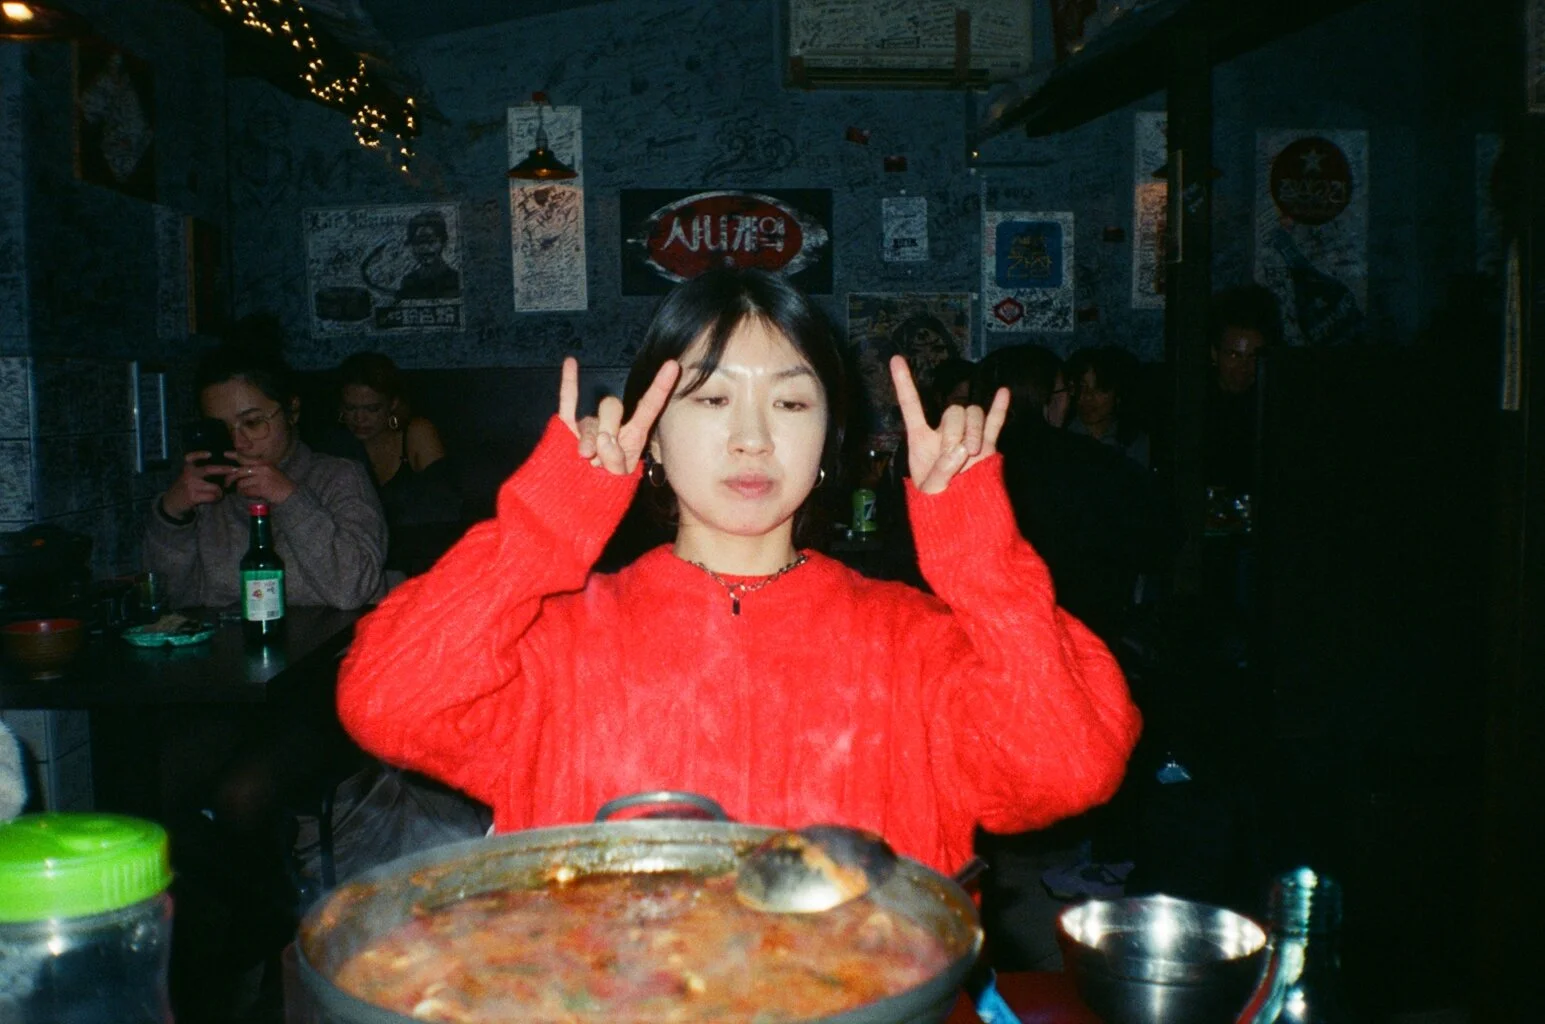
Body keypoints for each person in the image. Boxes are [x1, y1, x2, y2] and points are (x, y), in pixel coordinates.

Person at [337, 268, 1141, 876]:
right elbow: (387, 703)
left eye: (791, 404)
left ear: (829, 440)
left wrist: (976, 555)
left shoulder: (911, 640)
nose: (752, 437)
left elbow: (1067, 768)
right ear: (652, 434)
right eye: (711, 399)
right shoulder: (559, 638)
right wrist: (546, 525)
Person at [146, 328, 388, 610]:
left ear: (291, 411)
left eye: (253, 423)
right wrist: (172, 518)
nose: (239, 442)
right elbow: (169, 604)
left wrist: (290, 499)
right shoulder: (211, 495)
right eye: (222, 429)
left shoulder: (339, 478)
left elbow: (352, 589)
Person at [337, 353, 464, 578]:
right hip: (361, 567)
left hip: (421, 561)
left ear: (393, 404)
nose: (359, 418)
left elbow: (445, 511)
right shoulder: (335, 445)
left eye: (372, 409)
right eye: (350, 408)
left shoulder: (416, 433)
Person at [1064, 347, 1151, 469]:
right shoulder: (1062, 434)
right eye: (1081, 387)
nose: (1088, 396)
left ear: (1118, 394)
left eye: (1100, 389)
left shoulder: (1133, 441)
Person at [394, 211, 460, 302]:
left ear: (444, 242)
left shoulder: (457, 279)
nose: (424, 247)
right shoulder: (409, 282)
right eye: (417, 242)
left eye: (430, 241)